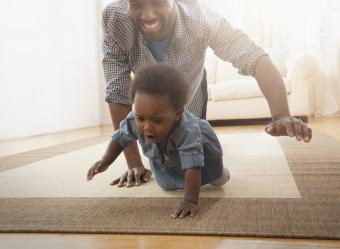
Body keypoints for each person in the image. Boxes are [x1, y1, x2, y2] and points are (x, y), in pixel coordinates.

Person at [102, 0, 312, 187]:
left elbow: (254, 57)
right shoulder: (114, 18)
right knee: (165, 160)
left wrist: (281, 115)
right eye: (137, 4)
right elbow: (117, 89)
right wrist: (135, 164)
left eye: (157, 2)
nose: (147, 15)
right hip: (152, 105)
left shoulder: (201, 19)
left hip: (190, 94)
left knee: (196, 150)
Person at [87, 64, 229, 218]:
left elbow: (193, 168)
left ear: (177, 113)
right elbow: (120, 138)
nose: (147, 127)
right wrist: (105, 160)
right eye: (141, 118)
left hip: (204, 157)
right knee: (166, 185)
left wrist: (190, 201)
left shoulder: (188, 130)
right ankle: (171, 169)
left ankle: (222, 172)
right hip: (165, 157)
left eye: (157, 120)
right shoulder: (134, 119)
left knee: (217, 179)